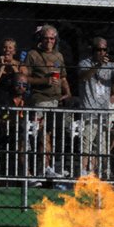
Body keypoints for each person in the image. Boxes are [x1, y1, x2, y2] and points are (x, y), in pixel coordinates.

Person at [22, 24, 71, 177]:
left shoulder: (58, 56)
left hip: (56, 101)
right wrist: (44, 81)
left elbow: (63, 77)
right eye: (46, 38)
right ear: (40, 39)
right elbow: (23, 77)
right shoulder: (33, 55)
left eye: (52, 38)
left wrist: (68, 92)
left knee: (52, 134)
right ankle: (41, 168)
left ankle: (49, 166)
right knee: (40, 135)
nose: (49, 41)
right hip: (40, 100)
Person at [78, 36, 114, 175]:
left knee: (103, 149)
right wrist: (98, 65)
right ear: (93, 50)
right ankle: (83, 175)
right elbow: (83, 77)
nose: (102, 52)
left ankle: (102, 175)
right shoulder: (85, 63)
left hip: (103, 113)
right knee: (86, 147)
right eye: (99, 50)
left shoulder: (110, 66)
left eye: (105, 50)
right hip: (88, 111)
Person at [0, 37, 21, 105]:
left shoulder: (20, 65)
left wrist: (14, 68)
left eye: (10, 48)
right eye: (5, 47)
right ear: (1, 49)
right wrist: (1, 67)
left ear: (14, 51)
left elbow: (21, 84)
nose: (7, 50)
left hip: (14, 100)